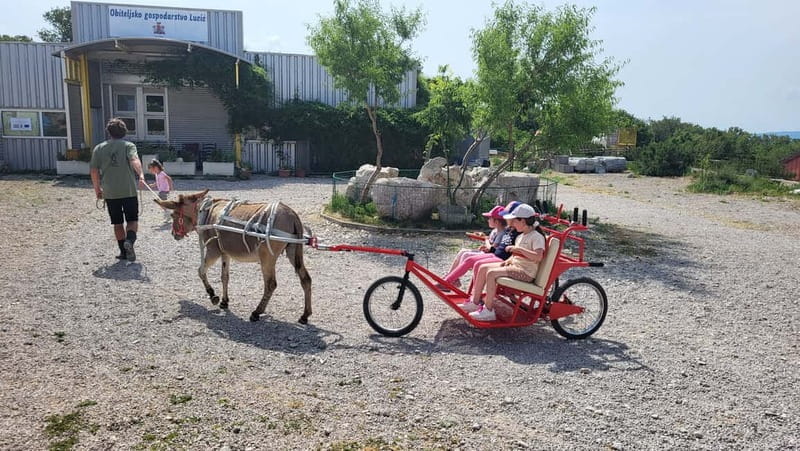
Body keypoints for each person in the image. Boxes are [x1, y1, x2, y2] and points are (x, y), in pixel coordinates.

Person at [464, 203, 547, 321]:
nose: (512, 224)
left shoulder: (536, 237)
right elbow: (516, 255)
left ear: (523, 221)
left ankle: (488, 310)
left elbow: (538, 257)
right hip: (516, 267)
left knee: (491, 273)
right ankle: (475, 302)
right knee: (483, 268)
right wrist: (508, 260)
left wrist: (519, 249)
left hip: (526, 272)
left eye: (514, 221)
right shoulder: (521, 236)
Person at [90, 118, 146, 262]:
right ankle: (130, 241)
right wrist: (141, 174)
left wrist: (97, 189)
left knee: (117, 223)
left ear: (108, 132)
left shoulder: (99, 148)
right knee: (132, 220)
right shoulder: (128, 145)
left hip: (110, 192)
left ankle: (123, 252)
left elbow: (94, 171)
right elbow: (134, 160)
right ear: (124, 132)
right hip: (128, 190)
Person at [442, 201, 521, 287]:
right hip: (494, 255)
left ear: (497, 221)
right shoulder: (505, 231)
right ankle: (451, 277)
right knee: (464, 253)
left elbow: (493, 248)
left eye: (489, 218)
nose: (488, 220)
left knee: (467, 255)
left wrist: (486, 240)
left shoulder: (506, 232)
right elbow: (495, 247)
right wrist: (485, 239)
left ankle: (453, 279)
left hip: (497, 257)